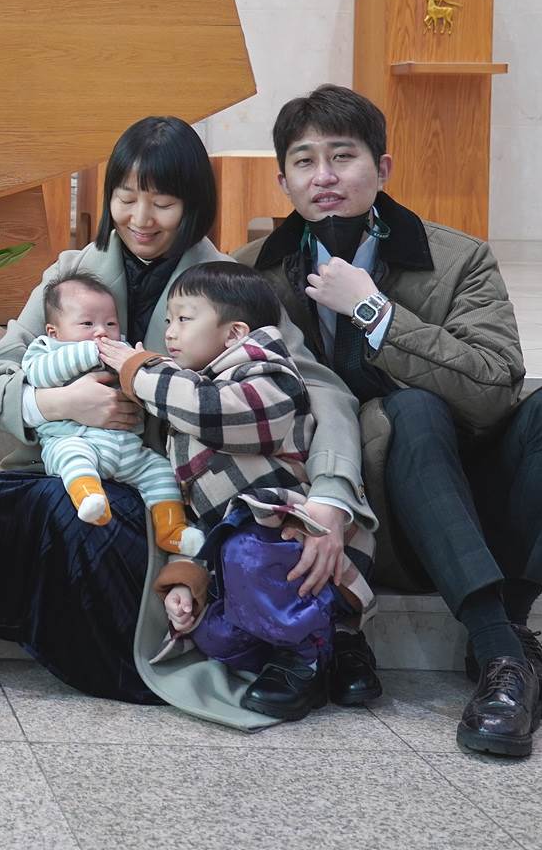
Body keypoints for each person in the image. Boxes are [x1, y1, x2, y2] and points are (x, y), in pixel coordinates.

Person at [235, 84, 542, 756]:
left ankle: (503, 633)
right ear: (283, 182)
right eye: (304, 161)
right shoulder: (251, 275)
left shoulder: (459, 258)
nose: (324, 177)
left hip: (466, 490)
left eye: (343, 156)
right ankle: (506, 653)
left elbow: (494, 391)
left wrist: (376, 314)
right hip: (363, 514)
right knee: (408, 410)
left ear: (383, 168)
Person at [0, 115, 374, 728]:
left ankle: (131, 663)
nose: (141, 219)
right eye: (126, 198)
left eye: (163, 202)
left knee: (74, 517)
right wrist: (61, 404)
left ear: (195, 204)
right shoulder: (69, 275)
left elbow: (320, 388)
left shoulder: (230, 284)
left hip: (170, 492)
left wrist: (333, 495)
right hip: (73, 461)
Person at [103, 261, 374, 692]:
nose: (170, 333)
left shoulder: (270, 376)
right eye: (168, 321)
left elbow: (211, 410)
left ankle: (304, 657)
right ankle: (312, 646)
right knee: (213, 635)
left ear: (234, 334)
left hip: (292, 541)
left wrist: (139, 370)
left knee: (248, 549)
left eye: (184, 319)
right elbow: (196, 510)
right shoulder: (192, 391)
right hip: (236, 550)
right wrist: (186, 579)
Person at [21, 273, 199, 555]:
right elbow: (39, 375)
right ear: (54, 331)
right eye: (87, 324)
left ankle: (172, 530)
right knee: (71, 457)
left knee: (160, 471)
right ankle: (90, 499)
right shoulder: (46, 349)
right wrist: (92, 352)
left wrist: (139, 363)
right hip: (77, 440)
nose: (101, 332)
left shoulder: (121, 350)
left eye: (110, 324)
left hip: (129, 449)